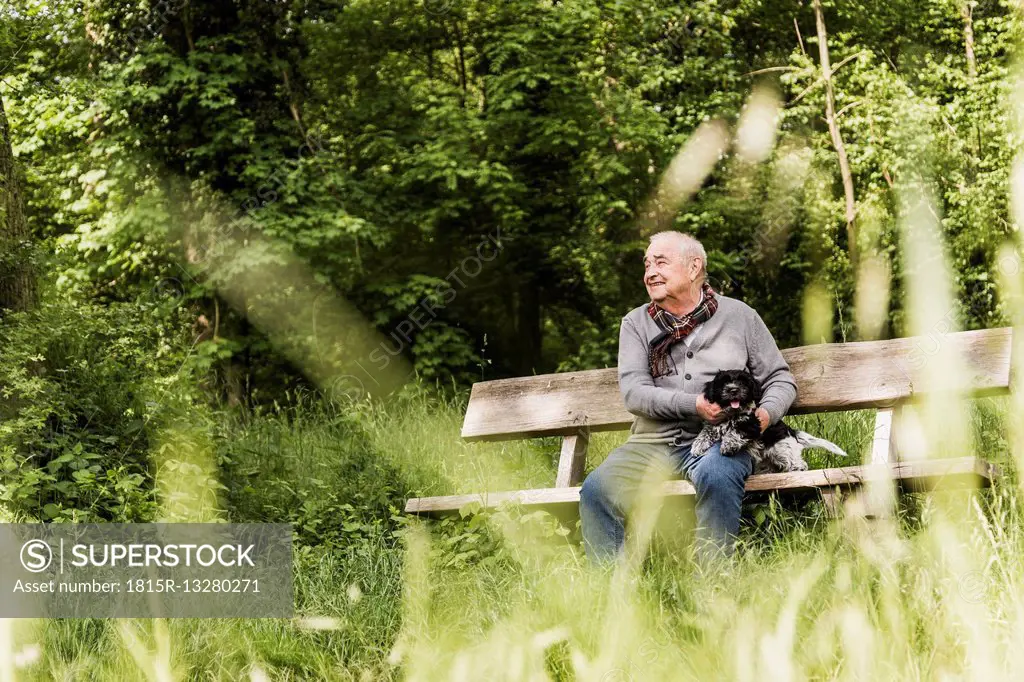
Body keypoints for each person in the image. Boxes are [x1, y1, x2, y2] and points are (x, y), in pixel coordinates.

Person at [578, 231, 797, 563]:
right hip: (651, 445)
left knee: (717, 474)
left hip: (722, 442)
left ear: (694, 268)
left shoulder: (740, 317)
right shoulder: (636, 324)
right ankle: (610, 598)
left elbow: (780, 379)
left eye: (661, 262)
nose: (650, 271)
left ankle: (712, 584)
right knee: (596, 490)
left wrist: (763, 417)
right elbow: (634, 393)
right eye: (647, 263)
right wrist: (692, 405)